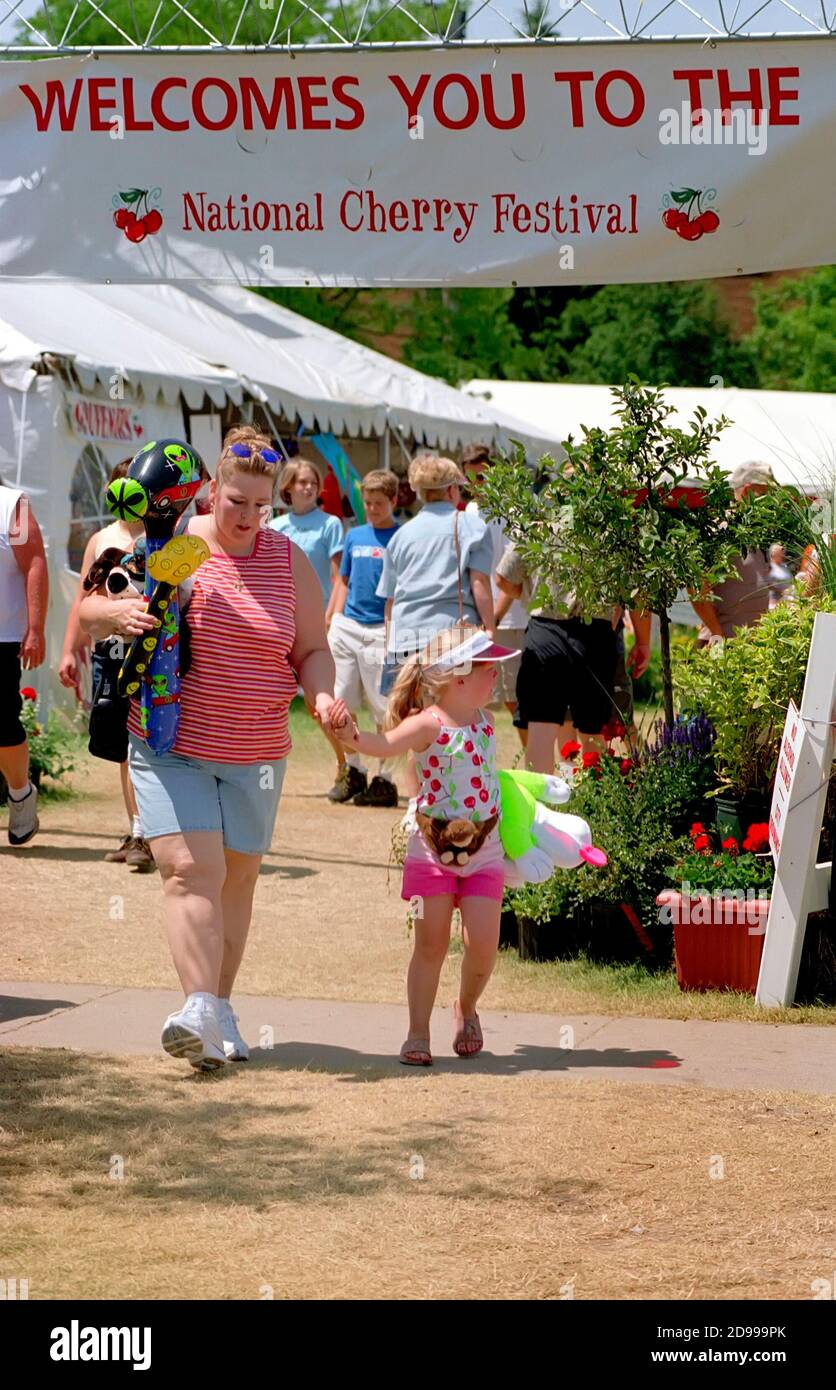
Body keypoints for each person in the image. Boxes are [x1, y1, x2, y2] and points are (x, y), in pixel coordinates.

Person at [79, 425, 340, 1070]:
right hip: (172, 740)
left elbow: (311, 649)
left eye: (262, 505)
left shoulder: (287, 561)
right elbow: (89, 605)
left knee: (238, 882)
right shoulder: (175, 546)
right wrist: (115, 615)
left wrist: (324, 696)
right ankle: (196, 1005)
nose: (250, 517)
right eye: (236, 502)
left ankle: (218, 1010)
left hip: (257, 751)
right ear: (210, 492)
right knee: (192, 871)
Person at [332, 624, 519, 1066]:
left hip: (484, 851)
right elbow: (382, 744)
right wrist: (350, 736)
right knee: (430, 944)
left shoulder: (488, 722)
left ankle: (466, 1008)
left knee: (483, 945)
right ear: (458, 678)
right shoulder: (427, 724)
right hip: (430, 852)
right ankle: (418, 1032)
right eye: (488, 668)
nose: (496, 676)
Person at [376, 455, 496, 803]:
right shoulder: (470, 527)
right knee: (453, 721)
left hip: (406, 639)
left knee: (418, 724)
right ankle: (451, 799)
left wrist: (390, 644)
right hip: (450, 641)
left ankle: (419, 804)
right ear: (453, 489)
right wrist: (489, 630)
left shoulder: (401, 535)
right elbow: (480, 585)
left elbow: (390, 600)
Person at [58, 458, 155, 870]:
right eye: (122, 486)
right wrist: (68, 650)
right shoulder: (102, 539)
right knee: (122, 747)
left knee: (147, 743)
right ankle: (137, 830)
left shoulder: (161, 537)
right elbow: (85, 601)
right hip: (109, 655)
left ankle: (150, 832)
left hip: (151, 656)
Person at [495, 542, 651, 774]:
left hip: (544, 629)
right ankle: (591, 802)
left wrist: (532, 594)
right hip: (595, 633)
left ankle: (540, 805)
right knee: (593, 733)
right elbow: (638, 592)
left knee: (540, 728)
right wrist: (643, 642)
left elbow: (504, 579)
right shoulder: (611, 513)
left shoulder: (539, 515)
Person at [270, 456, 346, 787]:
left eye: (313, 481)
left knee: (320, 700)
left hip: (318, 619)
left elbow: (339, 574)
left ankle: (346, 762)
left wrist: (331, 615)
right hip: (280, 620)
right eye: (302, 481)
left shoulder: (330, 524)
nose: (310, 487)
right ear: (288, 487)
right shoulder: (275, 527)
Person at [327, 468, 400, 807]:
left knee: (384, 708)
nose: (372, 509)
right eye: (368, 503)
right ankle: (354, 768)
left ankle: (385, 778)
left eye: (379, 503)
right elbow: (343, 580)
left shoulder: (402, 537)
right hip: (348, 626)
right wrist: (332, 617)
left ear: (394, 501)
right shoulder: (354, 535)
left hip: (382, 630)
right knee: (339, 701)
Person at [460, 442, 529, 742]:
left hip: (512, 619)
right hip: (482, 619)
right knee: (483, 697)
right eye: (471, 478)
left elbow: (515, 574)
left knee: (520, 700)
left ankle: (533, 762)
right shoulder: (470, 511)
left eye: (483, 477)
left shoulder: (513, 512)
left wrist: (495, 617)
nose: (478, 485)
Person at [0, 478, 47, 845]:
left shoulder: (12, 505)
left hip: (3, 636)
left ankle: (20, 793)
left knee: (2, 725)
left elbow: (34, 562)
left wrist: (35, 629)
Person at [691, 461, 776, 642]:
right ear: (746, 492)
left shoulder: (756, 532)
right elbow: (697, 585)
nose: (771, 501)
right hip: (721, 644)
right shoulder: (721, 529)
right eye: (765, 494)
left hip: (749, 645)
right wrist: (716, 634)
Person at [767, 542, 794, 609]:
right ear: (773, 554)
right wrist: (783, 591)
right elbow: (768, 584)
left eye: (783, 553)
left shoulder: (784, 566)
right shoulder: (769, 567)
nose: (783, 555)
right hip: (776, 604)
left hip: (788, 603)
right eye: (780, 553)